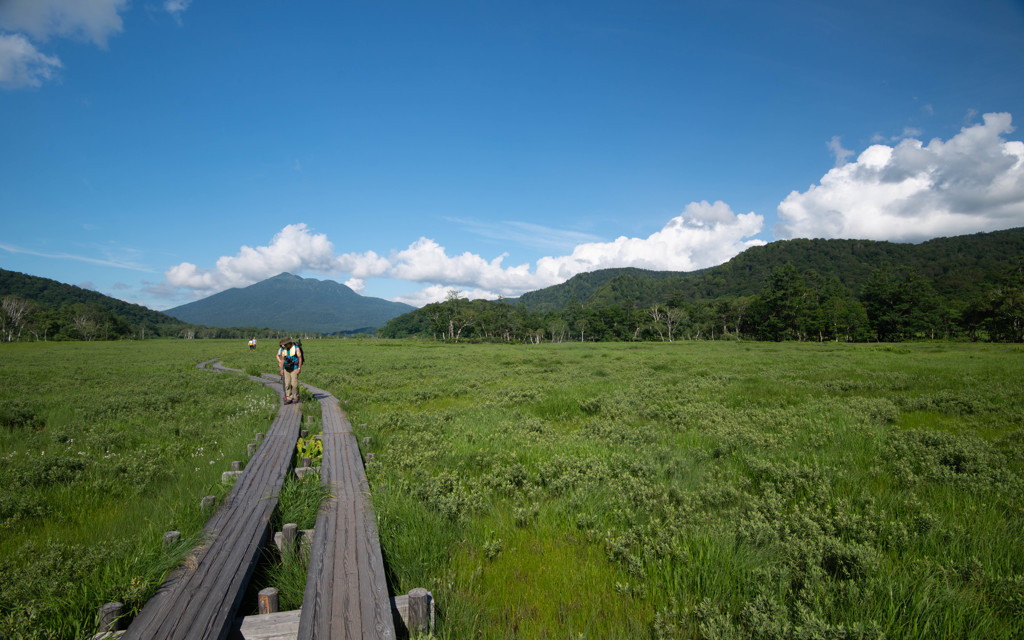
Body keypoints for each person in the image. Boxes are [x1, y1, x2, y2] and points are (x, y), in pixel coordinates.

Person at [277, 338, 303, 404]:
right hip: (286, 368)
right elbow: (282, 359)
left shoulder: (296, 348)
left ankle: (296, 397)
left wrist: (299, 368)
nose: (284, 345)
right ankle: (289, 398)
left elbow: (300, 358)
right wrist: (282, 369)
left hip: (294, 368)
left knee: (294, 384)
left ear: (289, 343)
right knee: (287, 384)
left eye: (285, 344)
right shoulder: (284, 349)